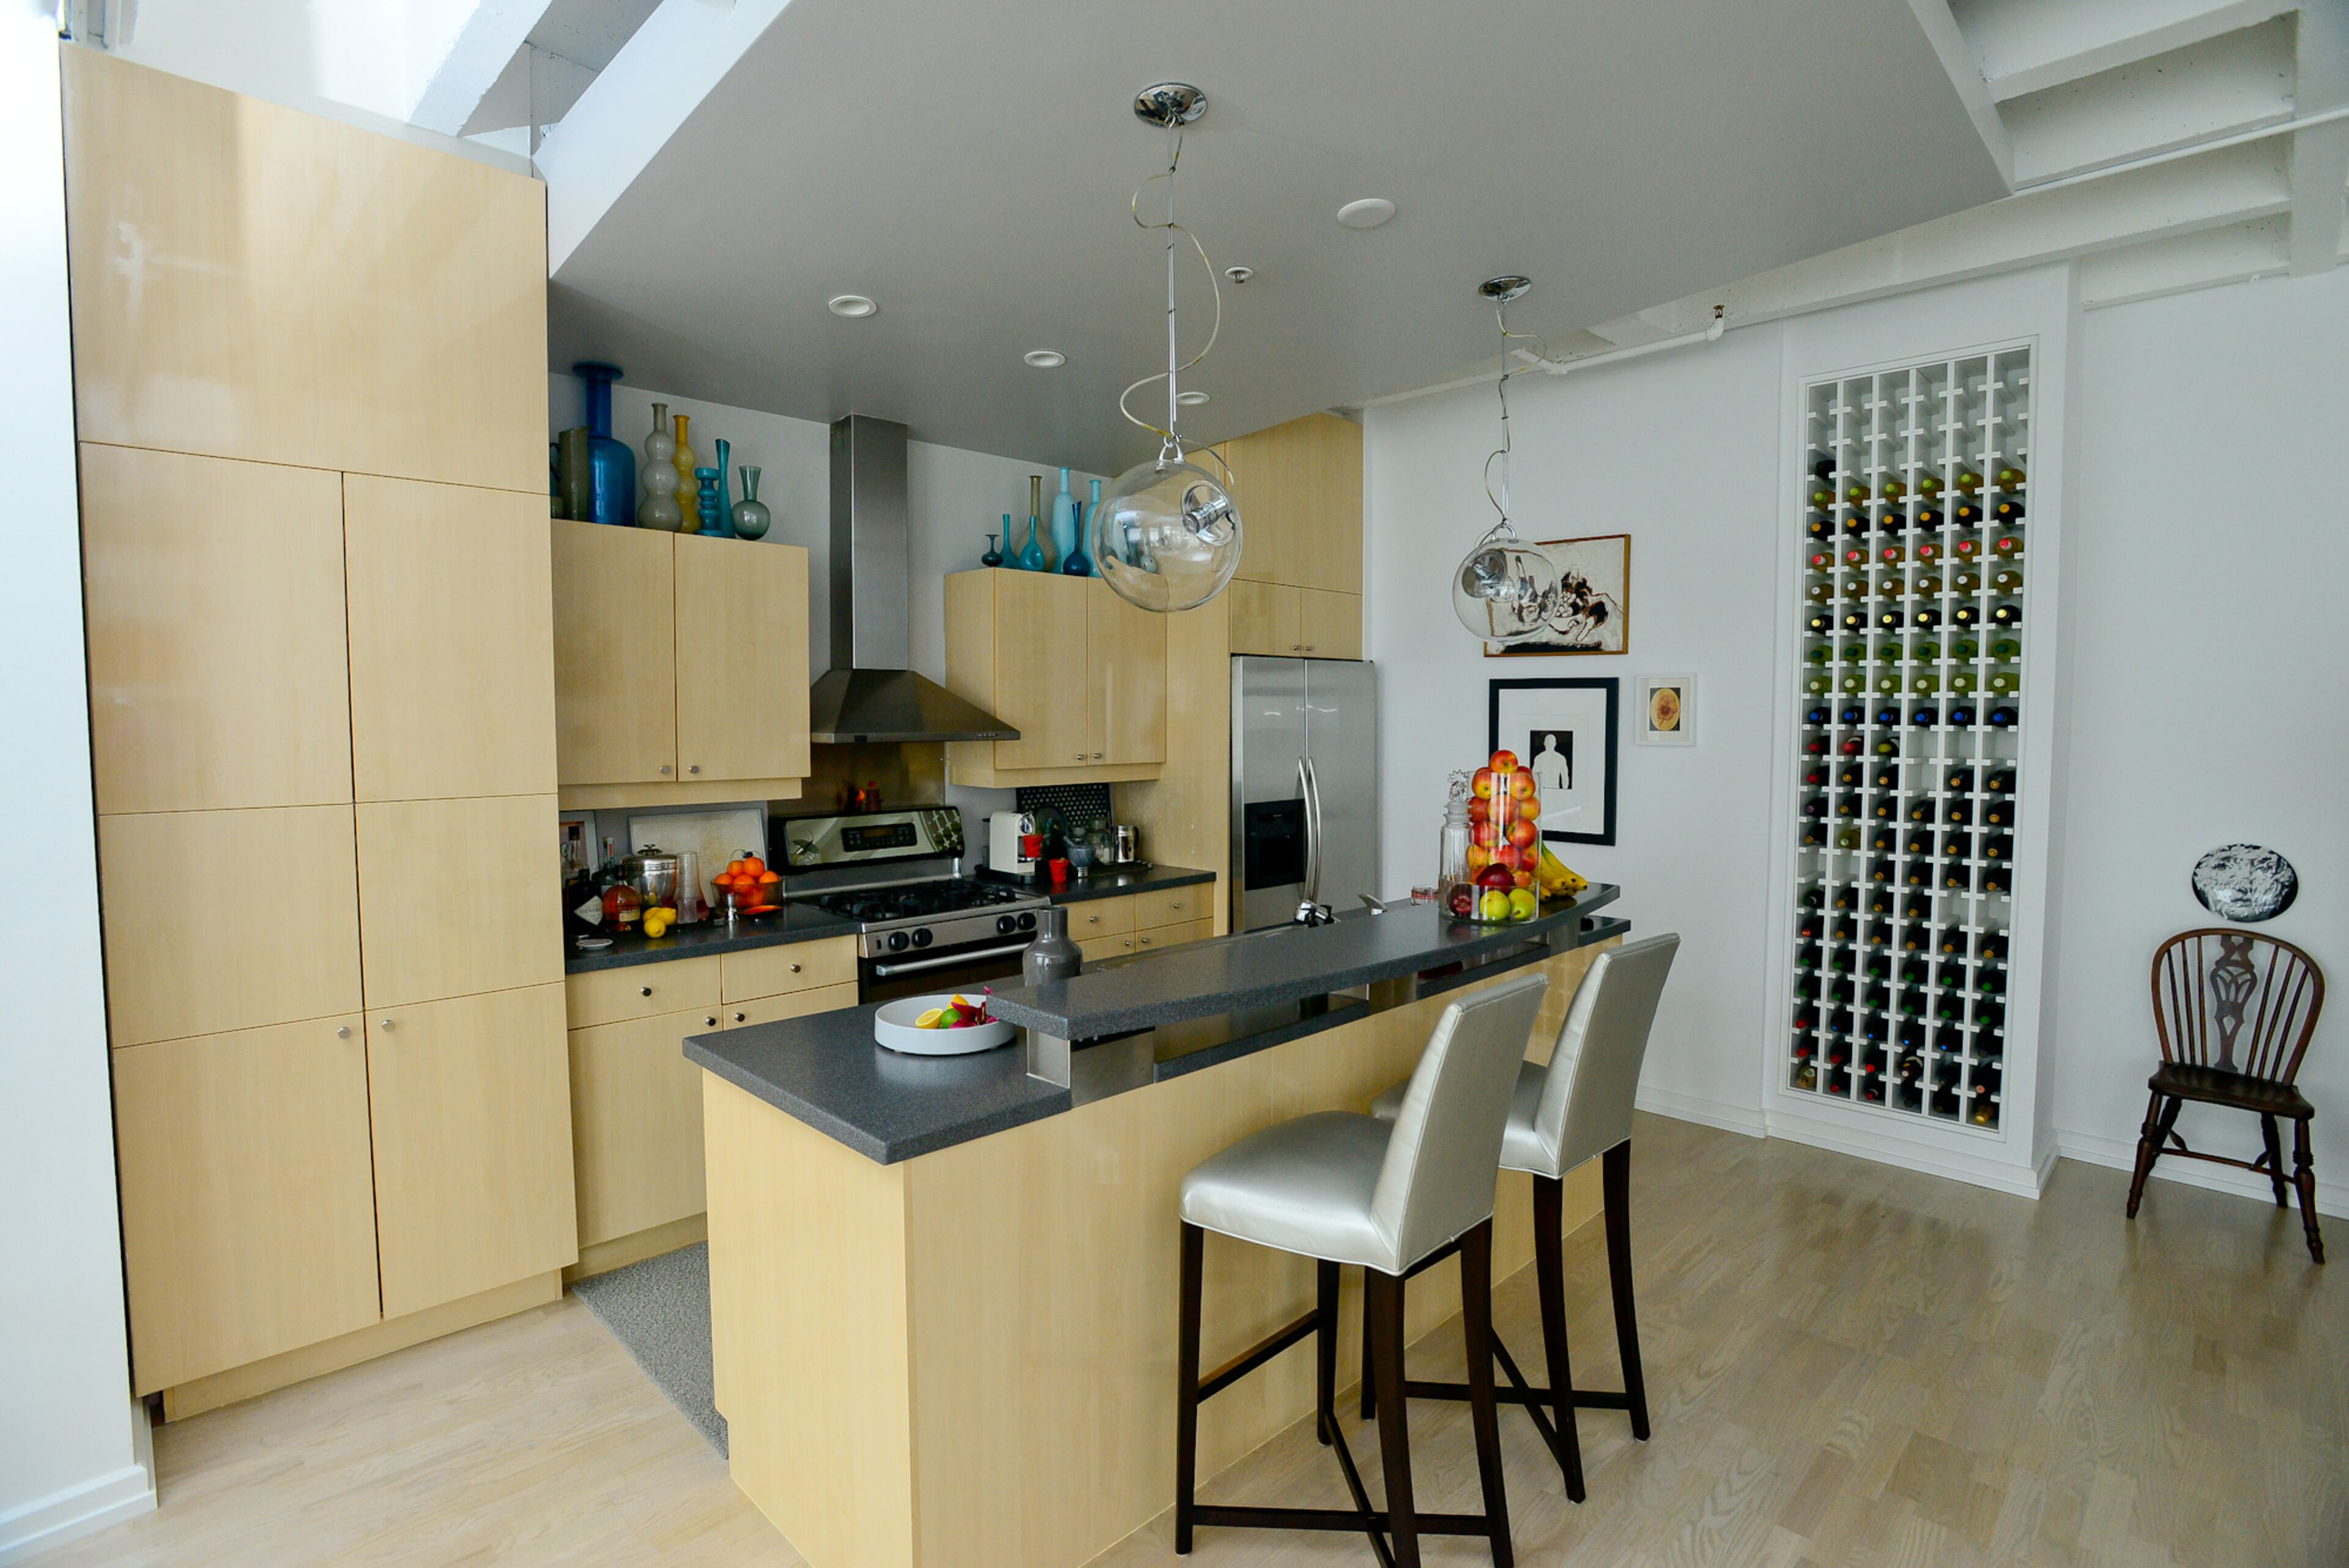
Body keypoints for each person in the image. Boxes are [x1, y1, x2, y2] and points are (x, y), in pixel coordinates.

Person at [1531, 732, 1570, 797]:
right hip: (1555, 790)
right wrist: (1564, 793)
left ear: (1545, 744)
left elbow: (1534, 776)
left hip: (1543, 791)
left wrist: (1537, 791)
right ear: (1555, 744)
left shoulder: (1539, 758)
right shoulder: (1561, 758)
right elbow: (1565, 777)